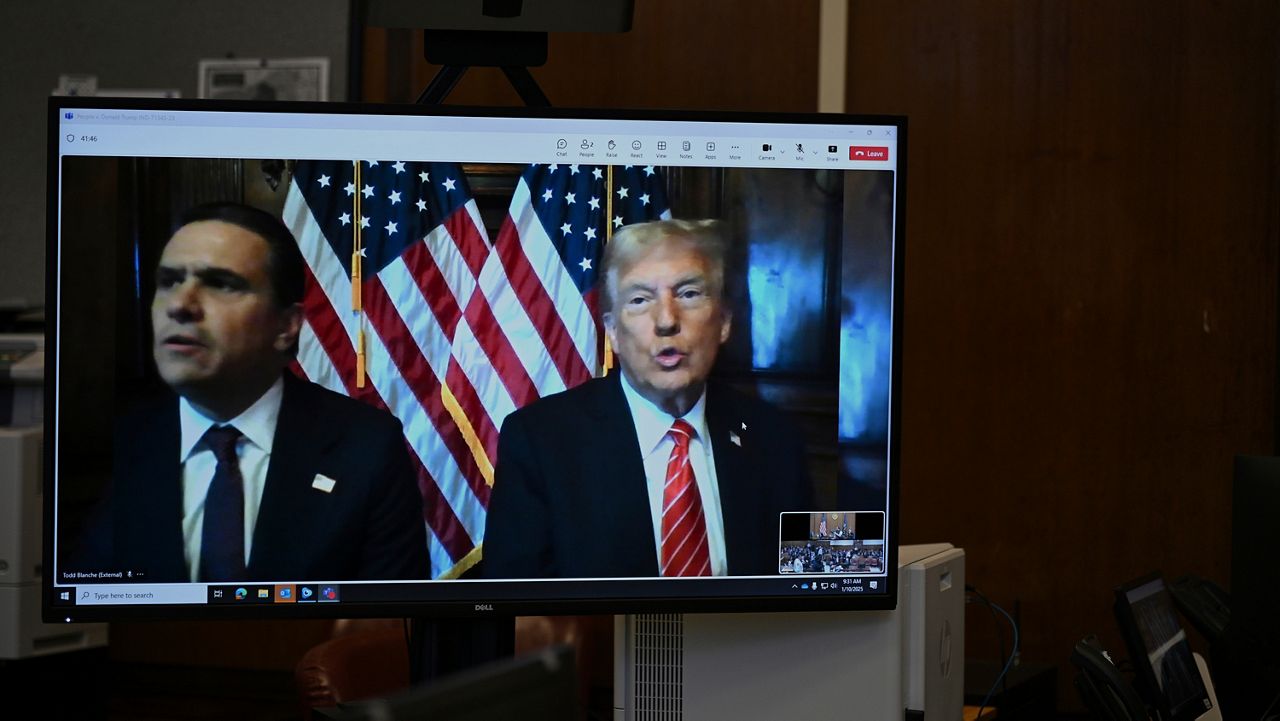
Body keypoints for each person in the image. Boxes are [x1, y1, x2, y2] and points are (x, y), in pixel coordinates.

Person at [72, 202, 428, 583]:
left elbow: (388, 615)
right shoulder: (113, 445)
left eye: (221, 284)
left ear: (287, 326)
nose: (179, 306)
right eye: (170, 281)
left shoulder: (367, 448)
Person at [483, 219, 811, 578]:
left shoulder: (775, 437)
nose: (666, 320)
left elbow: (814, 587)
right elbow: (515, 604)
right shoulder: (540, 442)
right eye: (640, 300)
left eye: (688, 294)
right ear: (612, 331)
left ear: (723, 322)